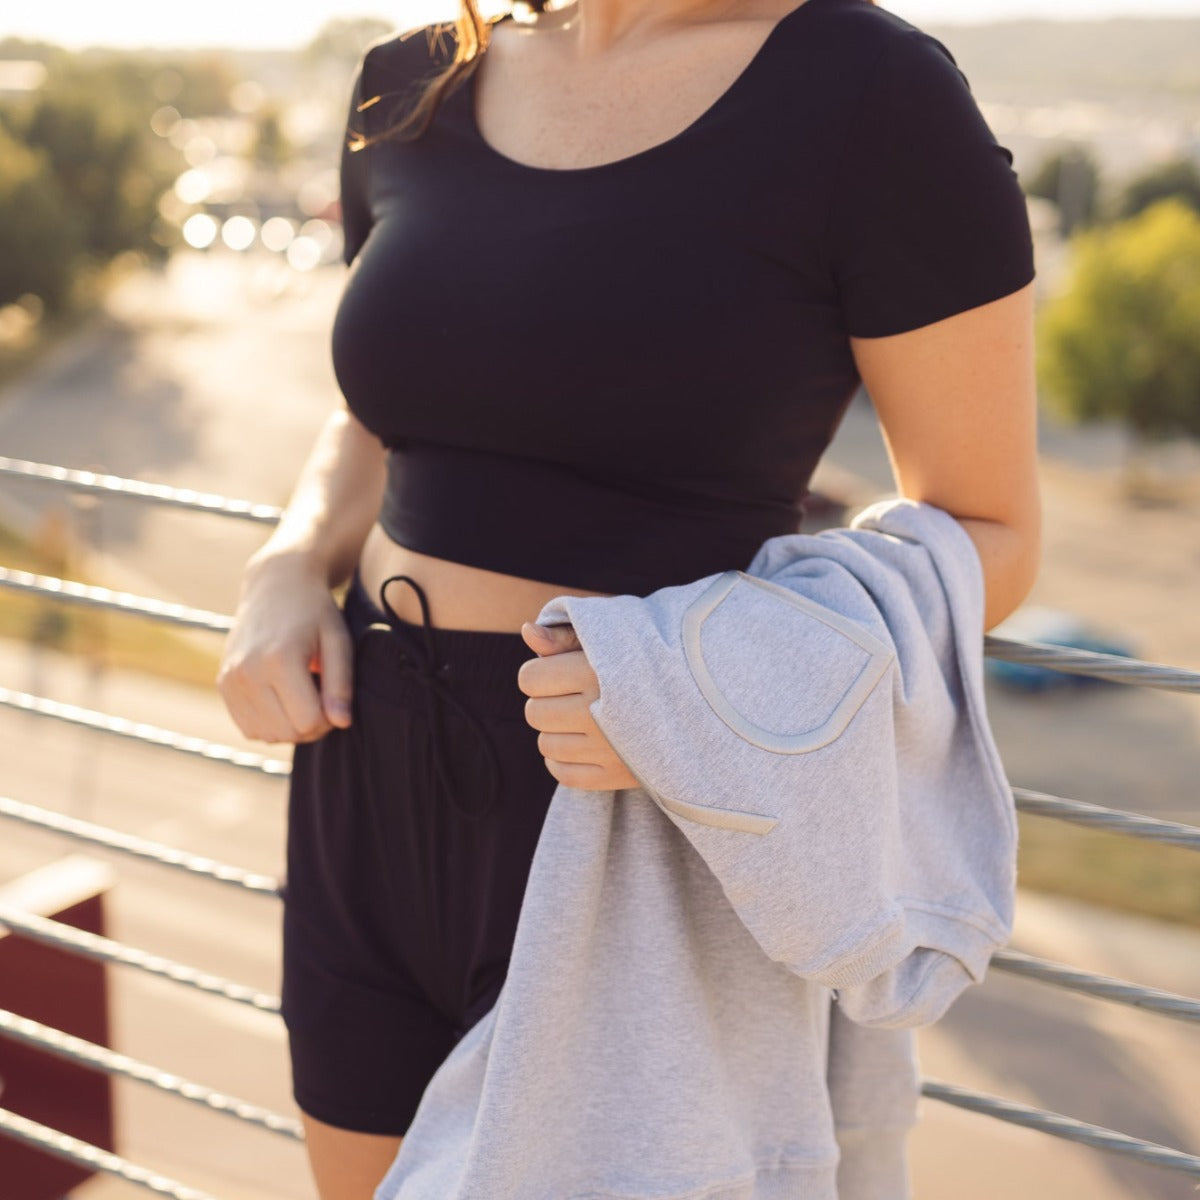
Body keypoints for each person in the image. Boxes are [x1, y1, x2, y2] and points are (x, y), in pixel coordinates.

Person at [216, 0, 1041, 1196]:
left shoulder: (872, 93)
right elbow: (384, 406)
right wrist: (288, 562)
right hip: (362, 768)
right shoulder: (413, 83)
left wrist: (683, 684)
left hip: (631, 814)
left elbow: (991, 534)